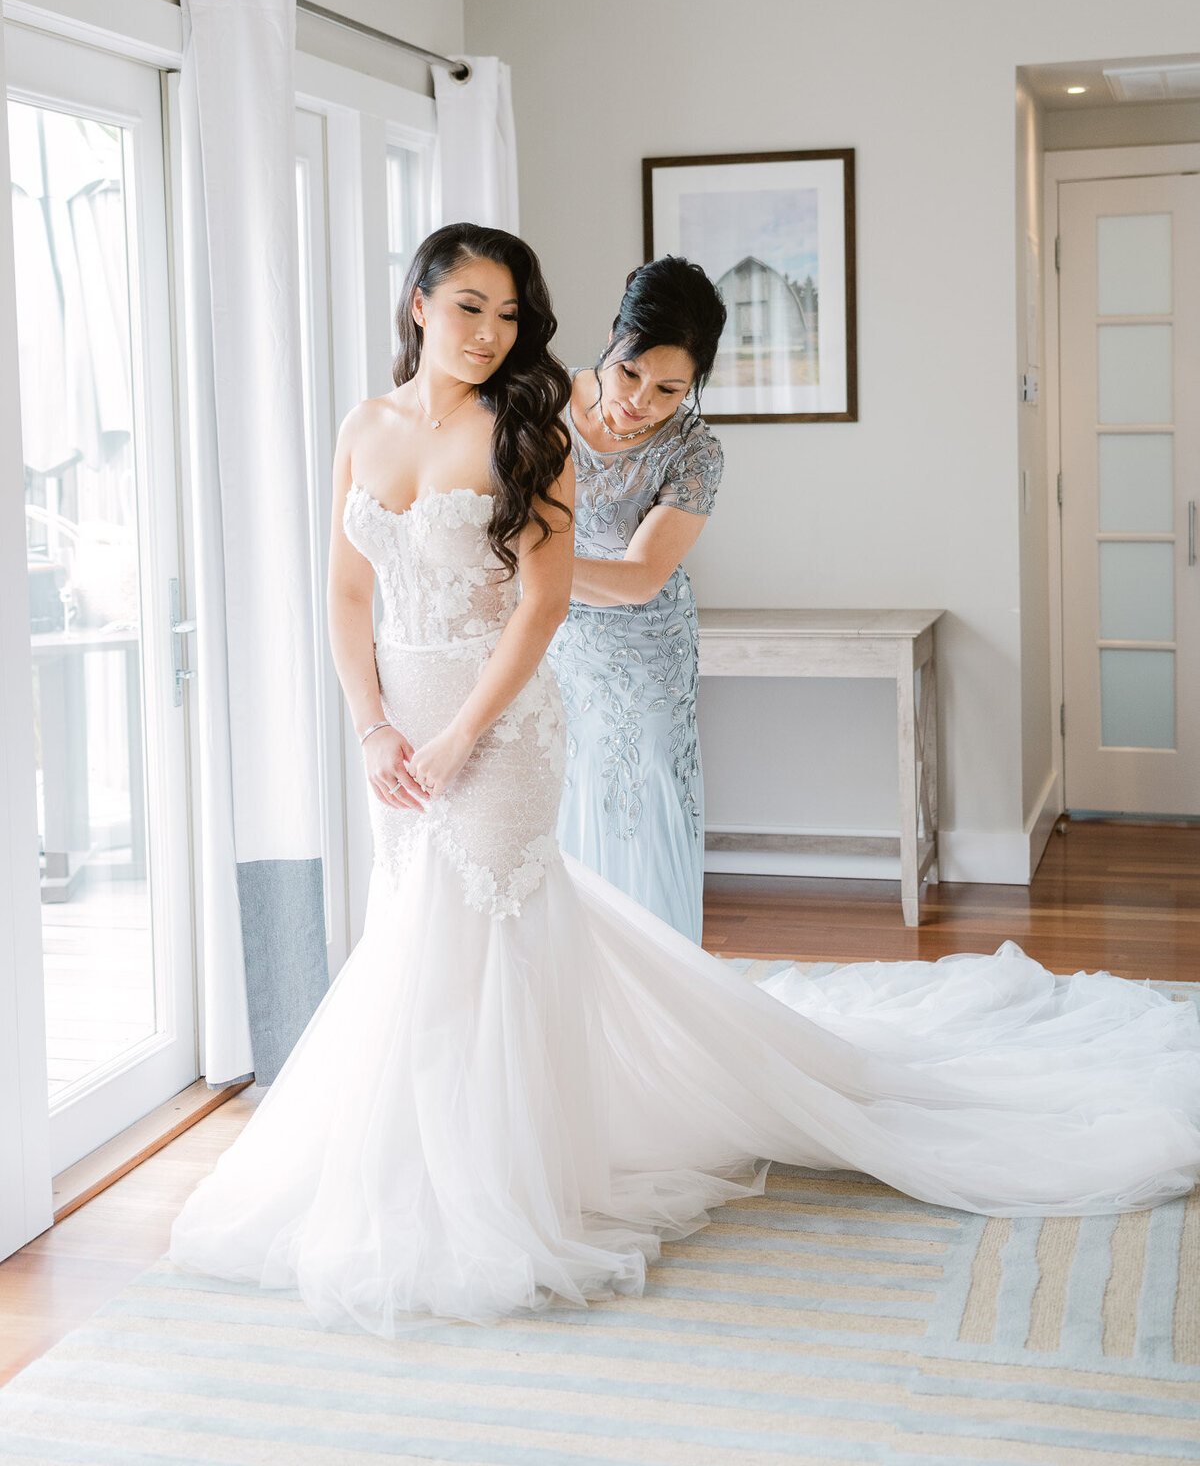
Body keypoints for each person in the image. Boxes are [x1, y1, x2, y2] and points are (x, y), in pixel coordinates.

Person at [169, 221, 1200, 1338]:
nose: (489, 332)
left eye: (508, 314)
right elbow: (349, 593)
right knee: (423, 928)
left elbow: (570, 591)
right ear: (418, 300)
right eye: (469, 306)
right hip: (408, 725)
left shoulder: (564, 436)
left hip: (520, 708)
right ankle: (433, 1144)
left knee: (507, 913)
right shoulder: (385, 423)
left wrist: (482, 692)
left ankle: (507, 1173)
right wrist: (372, 724)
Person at [552, 258, 726, 941]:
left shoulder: (695, 451)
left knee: (642, 804)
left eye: (670, 389)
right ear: (612, 339)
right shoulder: (542, 404)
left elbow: (640, 578)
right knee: (564, 800)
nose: (640, 400)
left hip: (647, 654)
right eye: (630, 373)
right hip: (553, 643)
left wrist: (527, 567)